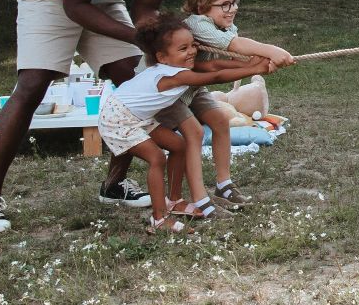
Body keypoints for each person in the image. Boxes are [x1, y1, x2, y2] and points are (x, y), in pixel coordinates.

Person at [0, 0, 203, 234]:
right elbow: (74, 6)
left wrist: (158, 39)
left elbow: (145, 8)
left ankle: (114, 184)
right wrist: (135, 37)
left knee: (135, 80)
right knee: (33, 84)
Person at [99, 15, 271, 233]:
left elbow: (214, 64)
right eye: (183, 48)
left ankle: (175, 201)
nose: (191, 52)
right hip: (118, 120)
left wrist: (252, 63)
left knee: (179, 146)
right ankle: (159, 219)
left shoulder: (175, 66)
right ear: (162, 57)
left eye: (192, 45)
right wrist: (254, 69)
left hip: (133, 115)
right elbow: (215, 76)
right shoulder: (170, 75)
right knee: (157, 158)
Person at [167, 0, 296, 210]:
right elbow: (232, 50)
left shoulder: (218, 24)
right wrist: (271, 51)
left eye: (234, 1)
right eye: (224, 4)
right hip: (171, 94)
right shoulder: (197, 24)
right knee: (193, 134)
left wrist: (254, 65)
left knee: (220, 121)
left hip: (193, 88)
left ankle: (223, 184)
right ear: (202, 6)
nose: (232, 8)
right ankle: (199, 198)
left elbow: (220, 60)